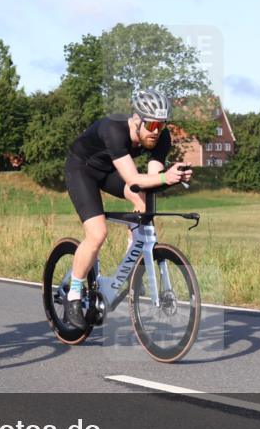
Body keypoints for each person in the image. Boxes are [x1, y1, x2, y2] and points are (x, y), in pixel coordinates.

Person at [63, 89, 192, 328]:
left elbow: (152, 179)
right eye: (152, 124)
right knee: (98, 233)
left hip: (110, 171)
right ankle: (74, 293)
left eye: (161, 125)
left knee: (143, 201)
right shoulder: (114, 129)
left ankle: (131, 268)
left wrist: (173, 177)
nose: (156, 131)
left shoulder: (160, 138)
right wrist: (166, 178)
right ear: (136, 120)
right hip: (82, 169)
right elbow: (133, 179)